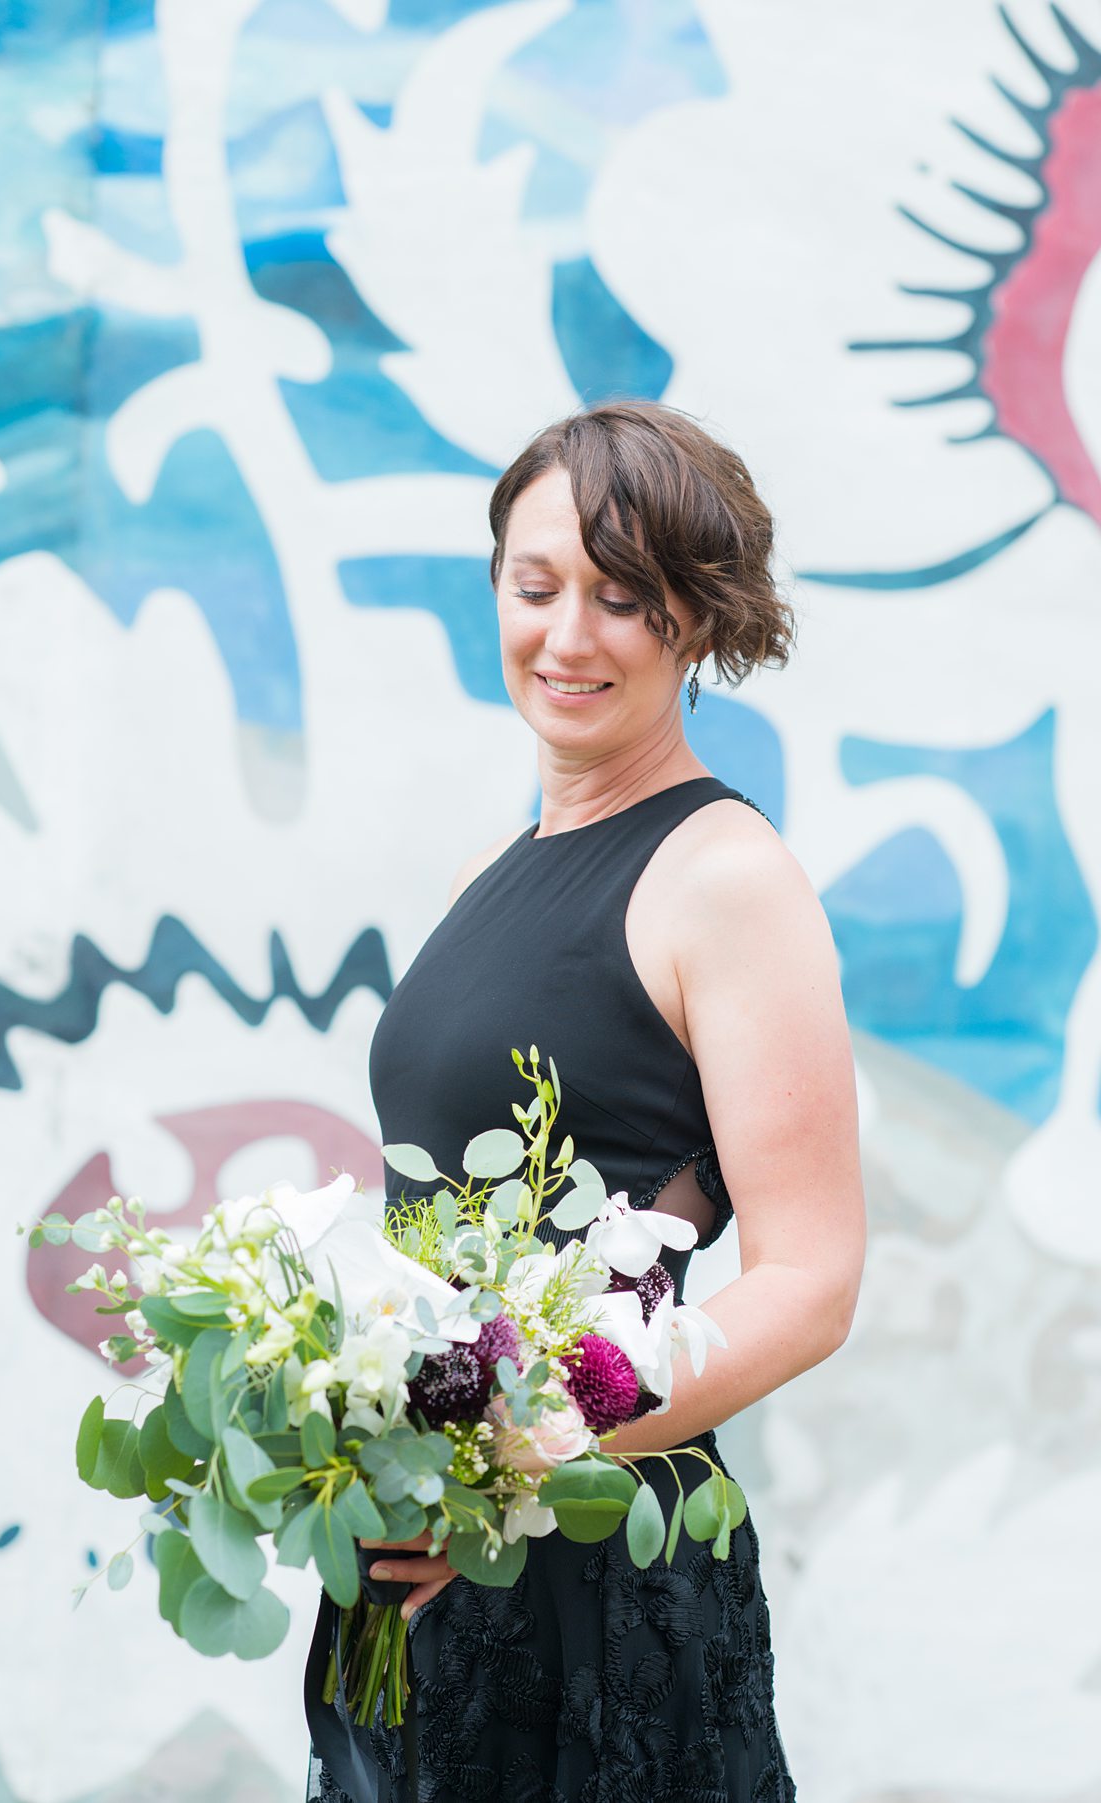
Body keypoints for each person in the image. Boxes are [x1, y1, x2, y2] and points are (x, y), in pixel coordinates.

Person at [306, 397, 867, 1802]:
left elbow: (811, 1275)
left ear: (694, 619)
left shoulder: (723, 876)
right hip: (426, 1576)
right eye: (536, 586)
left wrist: (529, 1454)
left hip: (596, 1575)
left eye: (621, 599)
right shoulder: (481, 882)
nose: (567, 637)